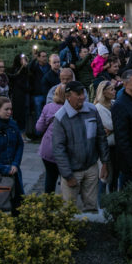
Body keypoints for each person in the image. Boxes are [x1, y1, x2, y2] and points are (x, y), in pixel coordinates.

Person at [51, 81, 110, 212]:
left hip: (91, 168)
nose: (82, 97)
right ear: (68, 96)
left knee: (92, 208)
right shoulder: (60, 117)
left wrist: (105, 163)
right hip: (72, 171)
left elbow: (101, 137)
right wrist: (67, 175)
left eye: (83, 93)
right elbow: (58, 150)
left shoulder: (92, 110)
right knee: (69, 211)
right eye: (78, 94)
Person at [36, 84, 67, 193]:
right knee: (66, 178)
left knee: (50, 176)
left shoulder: (48, 107)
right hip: (65, 150)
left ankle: (49, 203)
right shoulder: (71, 109)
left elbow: (39, 128)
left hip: (48, 148)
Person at [94, 80, 117, 194]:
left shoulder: (114, 103)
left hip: (115, 145)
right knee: (104, 175)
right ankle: (101, 204)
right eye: (111, 89)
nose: (114, 91)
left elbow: (120, 122)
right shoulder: (99, 107)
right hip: (106, 146)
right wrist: (115, 127)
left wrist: (113, 129)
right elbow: (111, 124)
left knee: (114, 176)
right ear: (103, 92)